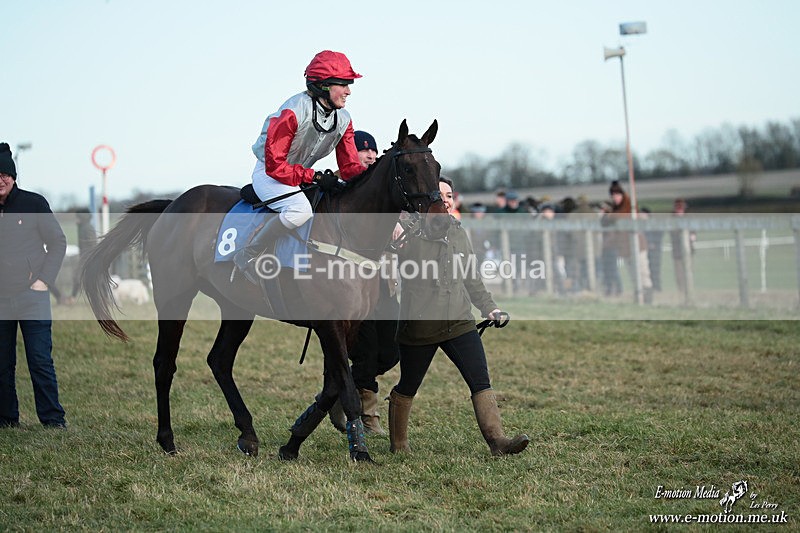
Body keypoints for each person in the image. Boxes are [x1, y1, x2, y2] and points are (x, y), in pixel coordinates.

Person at [388, 176, 529, 457]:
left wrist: (489, 307)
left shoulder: (457, 232)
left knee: (480, 380)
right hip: (420, 324)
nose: (445, 201)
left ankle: (497, 441)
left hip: (459, 320)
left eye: (449, 196)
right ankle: (399, 446)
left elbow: (471, 277)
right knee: (408, 385)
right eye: (438, 196)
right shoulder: (408, 233)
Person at [233, 50, 365, 282]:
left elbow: (350, 168)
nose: (348, 91)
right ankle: (249, 253)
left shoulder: (344, 118)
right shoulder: (292, 111)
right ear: (323, 86)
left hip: (297, 175)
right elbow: (275, 165)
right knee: (300, 211)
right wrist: (313, 177)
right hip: (270, 174)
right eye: (343, 84)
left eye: (349, 84)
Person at [323, 130, 399, 435]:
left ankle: (338, 389)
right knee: (366, 353)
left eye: (373, 151)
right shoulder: (340, 193)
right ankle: (369, 417)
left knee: (392, 351)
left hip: (385, 282)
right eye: (361, 150)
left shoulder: (386, 191)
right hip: (350, 285)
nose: (368, 154)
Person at [0, 142, 68, 429]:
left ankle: (53, 420)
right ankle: (6, 419)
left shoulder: (34, 203)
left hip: (32, 297)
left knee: (40, 360)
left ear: (13, 176)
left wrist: (43, 281)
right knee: (2, 365)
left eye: (3, 174)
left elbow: (58, 242)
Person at [605, 180, 653, 303]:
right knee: (633, 276)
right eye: (613, 196)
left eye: (617, 195)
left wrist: (610, 214)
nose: (615, 198)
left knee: (643, 274)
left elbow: (621, 216)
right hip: (625, 248)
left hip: (637, 246)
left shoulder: (629, 205)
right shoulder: (615, 208)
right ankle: (638, 298)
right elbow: (605, 222)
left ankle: (647, 300)